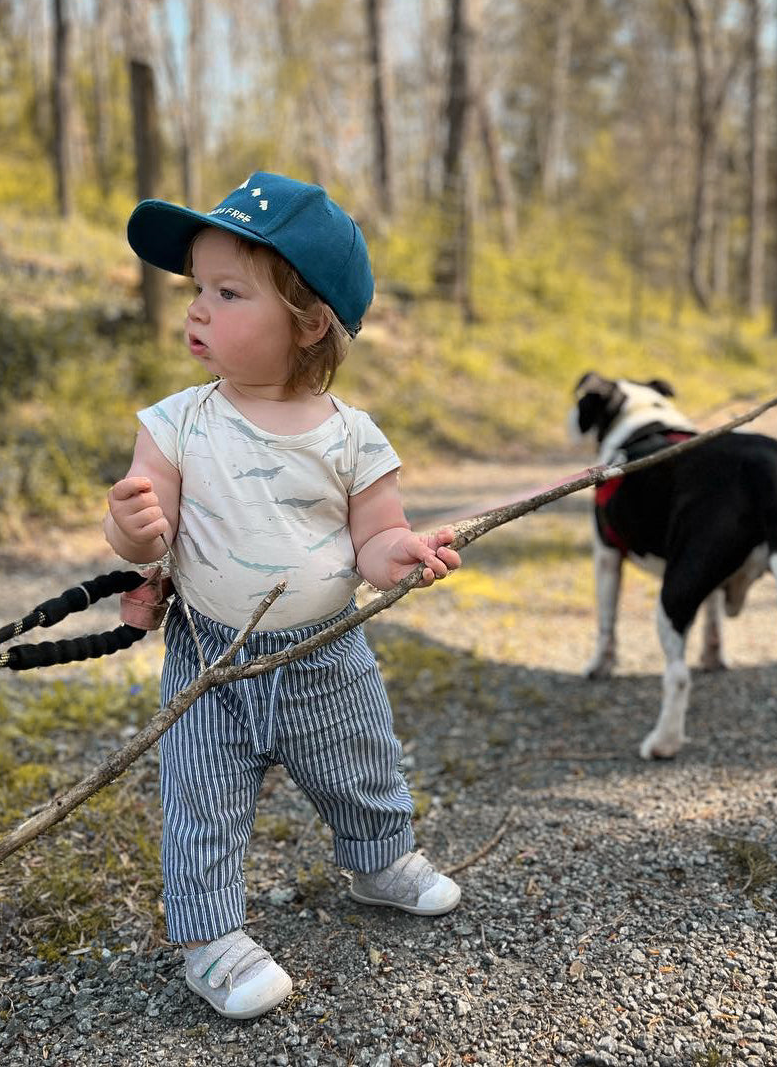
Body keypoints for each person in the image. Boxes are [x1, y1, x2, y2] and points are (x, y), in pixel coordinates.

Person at [103, 171, 462, 1020]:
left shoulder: (351, 436)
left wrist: (398, 552)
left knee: (363, 769)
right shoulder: (177, 423)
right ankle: (211, 939)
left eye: (227, 292)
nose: (196, 310)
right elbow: (151, 538)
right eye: (197, 289)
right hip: (212, 659)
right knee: (200, 802)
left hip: (325, 652)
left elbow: (371, 539)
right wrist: (133, 529)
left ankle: (379, 862)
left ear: (309, 324)